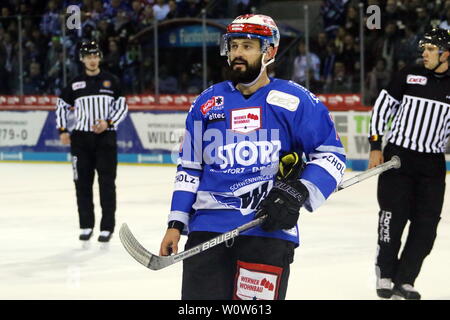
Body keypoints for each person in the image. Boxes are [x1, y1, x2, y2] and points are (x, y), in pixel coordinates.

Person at [159, 14, 346, 300]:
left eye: (247, 46)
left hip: (267, 229)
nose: (237, 54)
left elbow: (331, 155)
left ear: (269, 52)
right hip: (208, 230)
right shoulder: (207, 102)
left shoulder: (295, 101)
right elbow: (189, 167)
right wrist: (175, 223)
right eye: (233, 46)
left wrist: (298, 191)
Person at [368, 28, 450, 300]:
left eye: (430, 49)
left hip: (433, 165)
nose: (423, 53)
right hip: (399, 160)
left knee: (426, 227)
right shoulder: (409, 74)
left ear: (445, 54)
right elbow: (383, 107)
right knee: (392, 219)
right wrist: (376, 145)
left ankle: (406, 279)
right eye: (423, 48)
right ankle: (385, 273)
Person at [55, 41, 128, 243]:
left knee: (107, 184)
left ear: (100, 57)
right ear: (82, 59)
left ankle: (107, 228)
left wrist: (108, 122)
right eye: (88, 56)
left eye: (95, 56)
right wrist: (62, 130)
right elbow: (61, 105)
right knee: (82, 185)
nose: (92, 60)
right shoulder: (74, 83)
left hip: (105, 139)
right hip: (81, 140)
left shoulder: (111, 81)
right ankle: (86, 225)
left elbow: (122, 106)